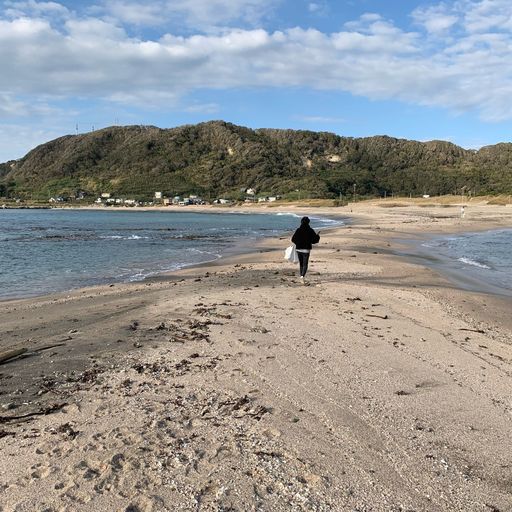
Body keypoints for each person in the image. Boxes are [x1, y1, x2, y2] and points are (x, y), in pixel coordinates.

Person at [291, 216, 320, 283]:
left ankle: (301, 276)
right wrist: (317, 236)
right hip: (306, 250)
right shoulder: (310, 230)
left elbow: (293, 239)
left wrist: (298, 243)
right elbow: (314, 241)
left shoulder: (298, 230)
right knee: (305, 264)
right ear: (308, 222)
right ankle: (302, 276)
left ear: (301, 222)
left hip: (298, 249)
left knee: (301, 264)